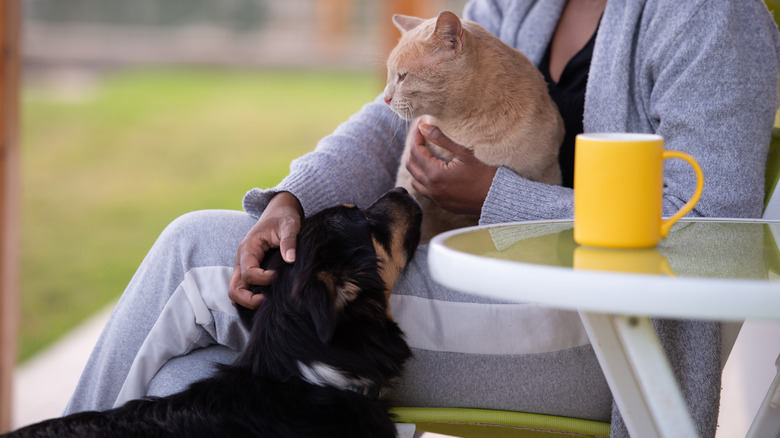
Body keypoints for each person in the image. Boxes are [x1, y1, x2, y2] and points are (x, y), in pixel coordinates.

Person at [64, 1, 780, 437]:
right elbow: (390, 122)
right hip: (481, 293)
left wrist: (496, 195)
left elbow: (715, 227)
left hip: (607, 336)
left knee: (196, 252)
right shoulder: (526, 2)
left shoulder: (712, 14)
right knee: (187, 381)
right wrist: (293, 198)